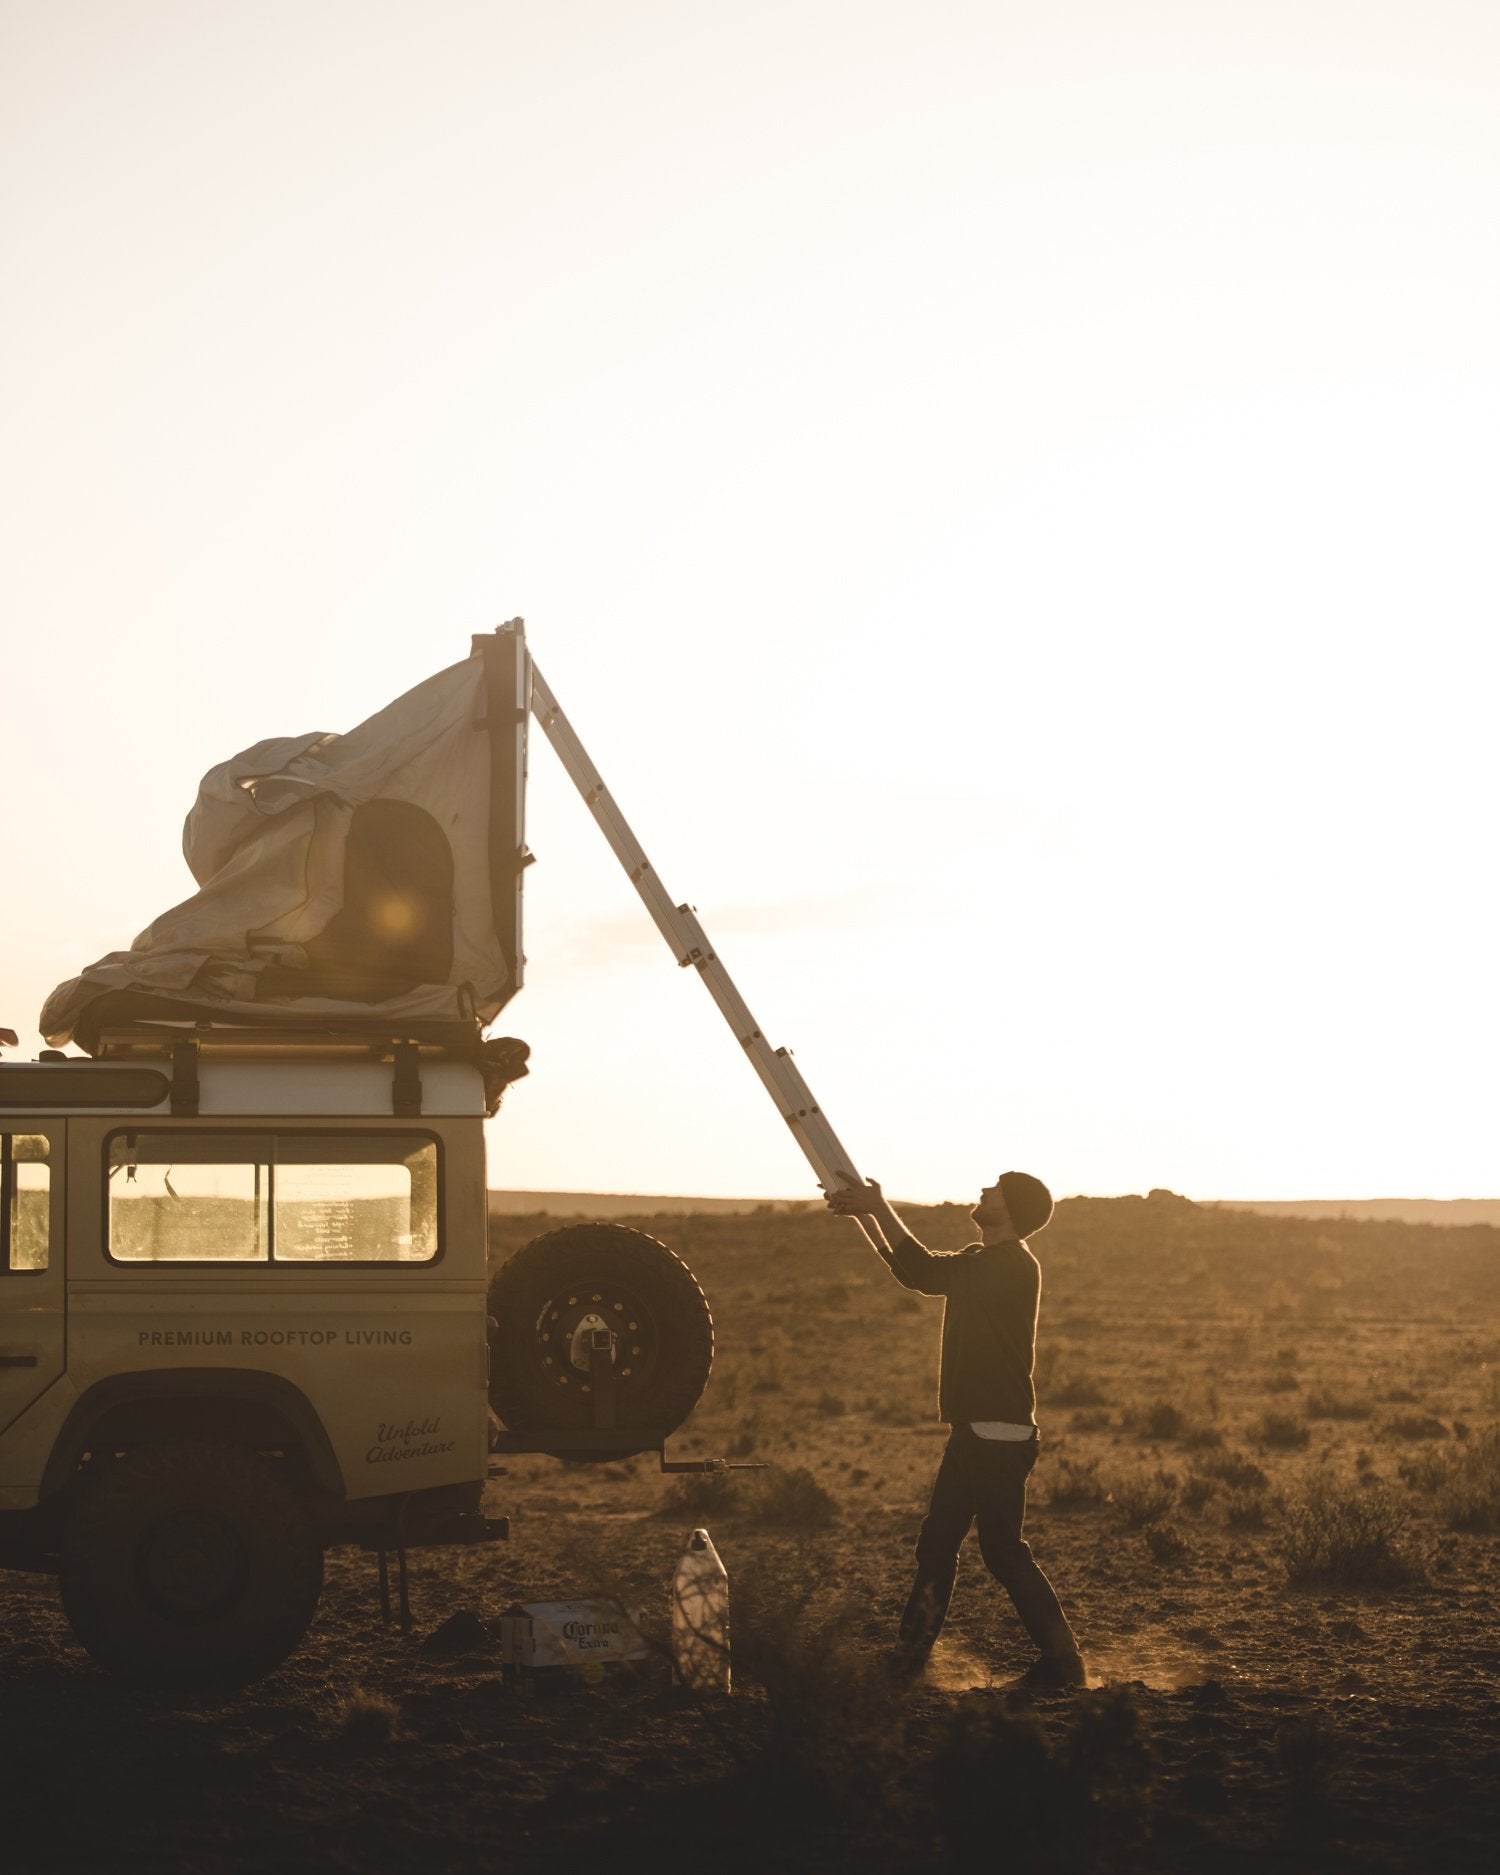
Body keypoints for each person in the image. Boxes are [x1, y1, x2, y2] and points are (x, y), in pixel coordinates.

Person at [826, 1169, 1086, 1689]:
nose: (984, 1191)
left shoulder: (1010, 1266)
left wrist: (878, 1208)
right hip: (976, 1432)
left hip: (998, 1435)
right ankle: (909, 1663)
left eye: (995, 1189)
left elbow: (923, 1269)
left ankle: (1063, 1663)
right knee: (937, 1546)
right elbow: (916, 1274)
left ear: (1010, 1208)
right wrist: (866, 1217)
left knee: (1002, 1553)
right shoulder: (983, 1261)